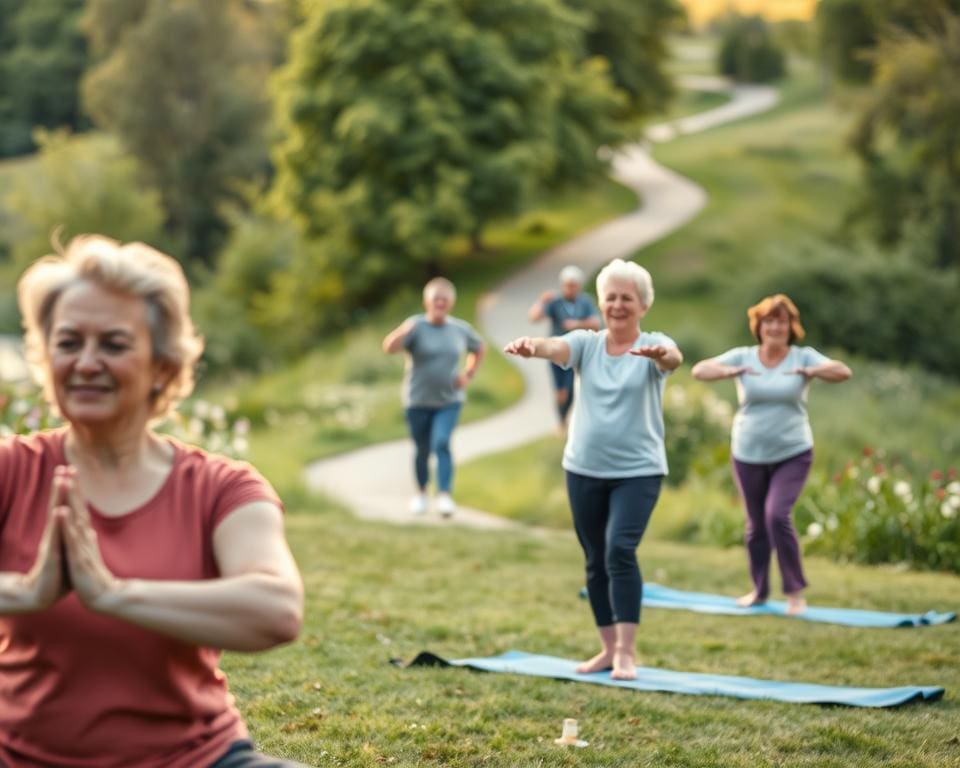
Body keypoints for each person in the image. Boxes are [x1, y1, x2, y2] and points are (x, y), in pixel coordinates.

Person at [0, 235, 306, 768]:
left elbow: (277, 610)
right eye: (68, 342)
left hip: (194, 758)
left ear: (162, 365)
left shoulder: (222, 487)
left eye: (113, 344)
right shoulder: (10, 470)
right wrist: (27, 591)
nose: (86, 362)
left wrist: (113, 594)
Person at [505, 258, 681, 680]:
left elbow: (673, 358)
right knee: (595, 559)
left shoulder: (654, 343)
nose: (618, 305)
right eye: (610, 297)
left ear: (643, 305)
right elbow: (556, 347)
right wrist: (533, 345)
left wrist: (662, 356)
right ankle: (607, 649)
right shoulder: (587, 343)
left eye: (627, 298)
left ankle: (627, 652)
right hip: (583, 468)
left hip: (638, 471)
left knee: (619, 549)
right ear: (600, 303)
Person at [691, 294, 851, 615]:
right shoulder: (743, 356)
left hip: (793, 452)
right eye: (769, 321)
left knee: (777, 516)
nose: (775, 327)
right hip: (747, 452)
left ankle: (794, 592)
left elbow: (842, 371)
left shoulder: (802, 357)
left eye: (781, 321)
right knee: (756, 526)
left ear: (791, 326)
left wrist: (813, 371)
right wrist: (727, 372)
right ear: (759, 326)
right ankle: (759, 590)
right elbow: (699, 370)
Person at [382, 277, 485, 517]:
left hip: (449, 400)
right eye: (435, 299)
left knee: (441, 443)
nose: (440, 303)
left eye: (444, 299)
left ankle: (444, 496)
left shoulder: (460, 329)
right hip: (417, 400)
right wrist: (402, 332)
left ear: (451, 303)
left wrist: (468, 374)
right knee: (422, 449)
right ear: (426, 302)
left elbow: (479, 348)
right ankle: (421, 494)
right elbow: (389, 348)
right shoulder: (415, 326)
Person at [527, 266, 600, 428]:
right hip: (555, 352)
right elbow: (533, 317)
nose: (570, 289)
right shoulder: (555, 302)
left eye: (573, 285)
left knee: (570, 388)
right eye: (567, 285)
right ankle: (561, 420)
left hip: (576, 353)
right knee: (560, 391)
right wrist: (541, 301)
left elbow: (596, 323)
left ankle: (566, 420)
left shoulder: (585, 302)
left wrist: (577, 324)